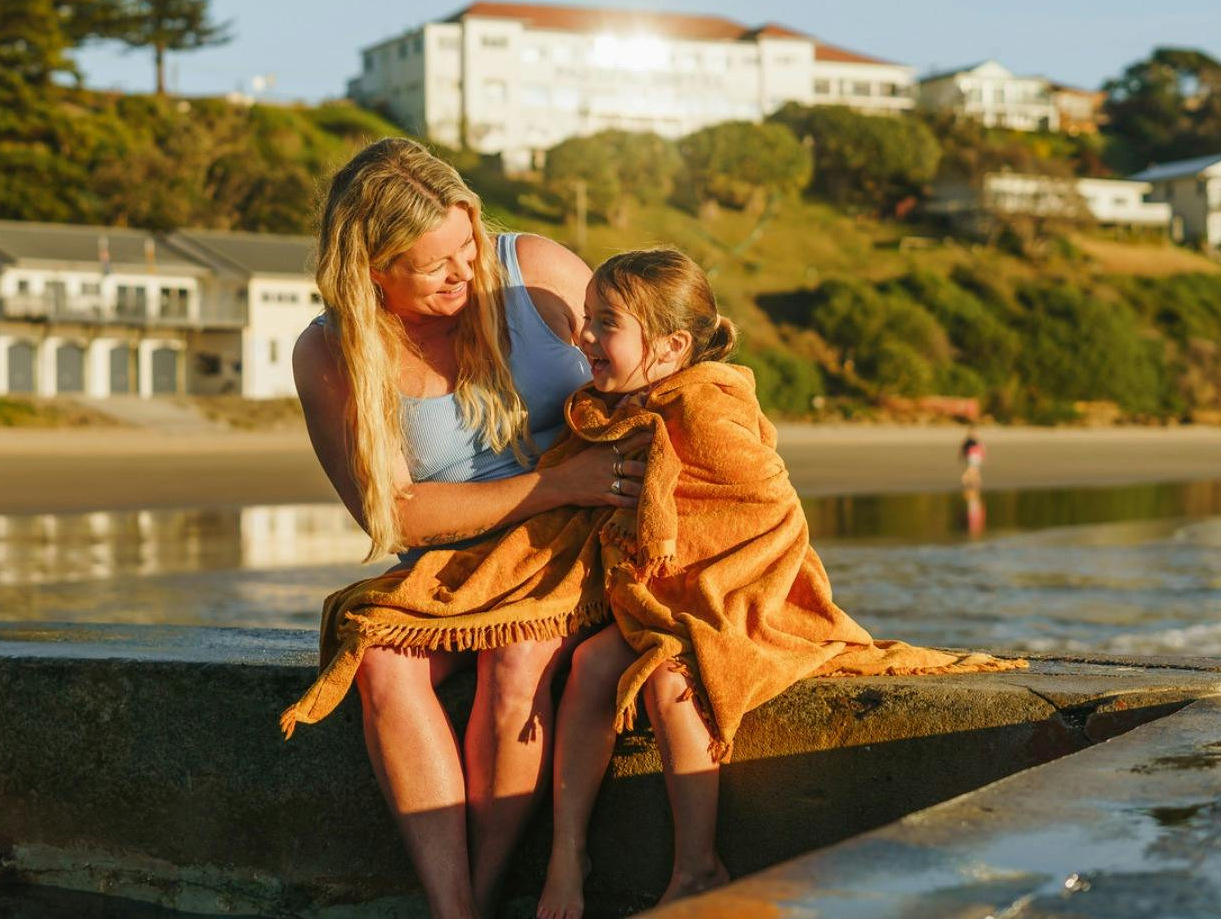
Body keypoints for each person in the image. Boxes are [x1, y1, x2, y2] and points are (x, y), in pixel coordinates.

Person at [535, 249, 1024, 919]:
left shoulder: (708, 411)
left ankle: (697, 865)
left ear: (670, 346)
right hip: (665, 599)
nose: (584, 336)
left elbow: (771, 511)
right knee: (591, 666)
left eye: (605, 322)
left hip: (737, 598)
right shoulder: (624, 407)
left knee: (673, 680)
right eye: (587, 318)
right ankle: (567, 854)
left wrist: (718, 585)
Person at [291, 138, 648, 919]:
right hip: (454, 562)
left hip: (582, 536)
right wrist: (550, 481)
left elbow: (655, 382)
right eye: (436, 265)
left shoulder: (540, 271)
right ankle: (454, 908)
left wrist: (582, 488)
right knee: (381, 662)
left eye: (468, 245)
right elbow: (396, 514)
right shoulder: (333, 352)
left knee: (516, 658)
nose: (466, 271)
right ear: (372, 269)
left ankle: (474, 906)